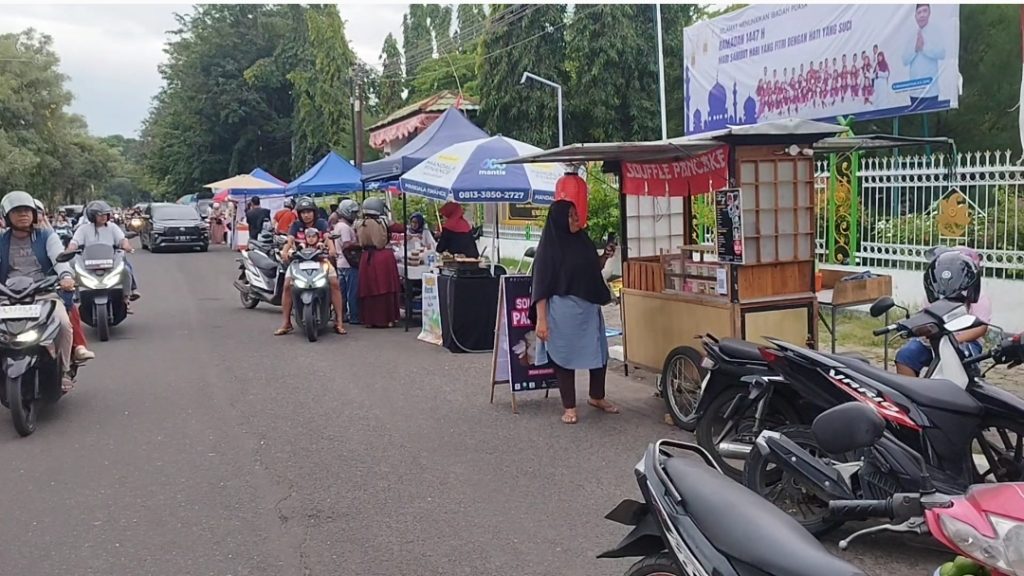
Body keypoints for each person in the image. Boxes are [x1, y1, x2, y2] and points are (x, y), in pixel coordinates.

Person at [531, 200, 618, 425]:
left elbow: (591, 267)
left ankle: (596, 396)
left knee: (599, 354)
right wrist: (542, 320)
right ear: (560, 219)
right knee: (564, 357)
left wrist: (605, 256)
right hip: (563, 308)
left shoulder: (582, 239)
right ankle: (569, 406)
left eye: (575, 214)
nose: (575, 219)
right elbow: (540, 285)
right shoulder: (549, 248)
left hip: (588, 306)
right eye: (570, 216)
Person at [0, 191, 80, 390]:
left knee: (63, 324)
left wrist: (66, 277)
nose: (23, 215)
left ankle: (64, 372)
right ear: (7, 216)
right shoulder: (1, 240)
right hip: (8, 297)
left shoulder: (46, 236)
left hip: (43, 293)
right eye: (17, 211)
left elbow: (58, 258)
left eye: (27, 210)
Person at [895, 247, 990, 377]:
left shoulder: (978, 296)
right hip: (933, 340)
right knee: (906, 355)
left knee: (961, 361)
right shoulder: (934, 293)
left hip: (966, 342)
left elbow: (981, 328)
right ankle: (912, 392)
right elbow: (926, 317)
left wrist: (953, 340)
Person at [274, 197, 346, 336]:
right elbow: (289, 241)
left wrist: (331, 250)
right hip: (299, 263)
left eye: (309, 212)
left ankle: (339, 321)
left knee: (334, 284)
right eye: (303, 212)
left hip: (320, 261)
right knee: (287, 286)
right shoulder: (295, 225)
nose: (306, 215)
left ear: (314, 212)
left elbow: (327, 238)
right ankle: (286, 323)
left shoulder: (321, 223)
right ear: (299, 214)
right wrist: (285, 252)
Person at [67, 200, 140, 303]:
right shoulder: (83, 229)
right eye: (100, 215)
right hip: (89, 262)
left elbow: (122, 239)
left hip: (111, 260)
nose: (104, 217)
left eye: (106, 214)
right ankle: (75, 295)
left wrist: (126, 246)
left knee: (126, 269)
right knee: (72, 266)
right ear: (92, 216)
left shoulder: (113, 227)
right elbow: (74, 242)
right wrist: (70, 249)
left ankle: (127, 296)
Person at [356, 197, 401, 328]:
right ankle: (387, 319)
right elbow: (400, 228)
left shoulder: (359, 222)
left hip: (366, 257)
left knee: (368, 288)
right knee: (385, 288)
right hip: (383, 257)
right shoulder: (384, 221)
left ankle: (369, 320)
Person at [902, 3, 944, 110]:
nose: (922, 15)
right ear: (915, 16)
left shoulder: (936, 31)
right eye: (919, 12)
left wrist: (924, 48)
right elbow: (904, 60)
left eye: (925, 11)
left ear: (929, 13)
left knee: (931, 122)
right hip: (915, 91)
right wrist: (915, 49)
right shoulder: (911, 35)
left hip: (932, 90)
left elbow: (942, 53)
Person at [333, 199, 361, 325]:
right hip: (349, 264)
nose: (355, 216)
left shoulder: (338, 226)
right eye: (353, 213)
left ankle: (341, 315)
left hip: (340, 263)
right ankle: (354, 316)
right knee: (352, 292)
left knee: (342, 293)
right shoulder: (344, 228)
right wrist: (360, 243)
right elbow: (346, 245)